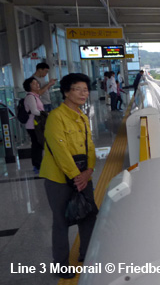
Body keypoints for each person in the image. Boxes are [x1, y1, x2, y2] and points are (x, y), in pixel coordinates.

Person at [40, 73, 96, 279]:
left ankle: (87, 255)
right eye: (78, 89)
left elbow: (90, 146)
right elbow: (59, 150)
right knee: (61, 221)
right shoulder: (56, 117)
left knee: (89, 216)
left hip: (83, 175)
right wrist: (76, 176)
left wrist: (89, 170)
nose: (84, 93)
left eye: (86, 89)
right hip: (58, 179)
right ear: (66, 92)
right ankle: (61, 265)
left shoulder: (82, 116)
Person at [23, 77, 45, 174]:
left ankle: (38, 164)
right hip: (33, 125)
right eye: (34, 83)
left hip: (37, 124)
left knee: (38, 144)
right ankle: (37, 164)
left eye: (37, 83)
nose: (37, 85)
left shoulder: (35, 96)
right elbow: (34, 111)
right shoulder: (30, 97)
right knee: (37, 144)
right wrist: (45, 114)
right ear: (29, 86)